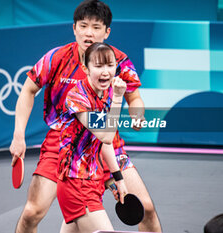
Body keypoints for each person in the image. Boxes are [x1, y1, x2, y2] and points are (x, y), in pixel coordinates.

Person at [9, 0, 162, 232]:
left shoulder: (117, 61)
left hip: (105, 142)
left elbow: (135, 98)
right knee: (33, 212)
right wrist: (18, 135)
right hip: (65, 143)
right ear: (74, 28)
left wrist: (137, 115)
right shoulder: (57, 58)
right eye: (83, 26)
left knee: (146, 208)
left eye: (96, 27)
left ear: (107, 31)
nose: (89, 33)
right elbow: (28, 90)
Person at [57, 42, 128, 233]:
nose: (105, 72)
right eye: (98, 66)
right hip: (76, 183)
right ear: (85, 69)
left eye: (110, 65)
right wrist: (119, 99)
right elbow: (105, 135)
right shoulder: (77, 97)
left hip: (92, 182)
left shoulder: (104, 96)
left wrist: (117, 178)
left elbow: (104, 145)